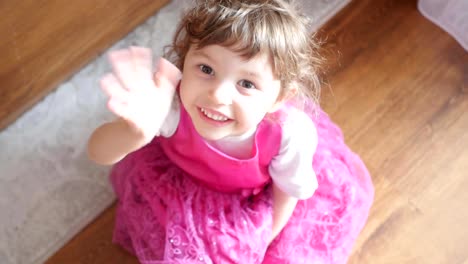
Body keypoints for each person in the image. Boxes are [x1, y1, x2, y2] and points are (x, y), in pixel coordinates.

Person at [87, 0, 374, 263]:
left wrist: (264, 241)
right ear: (184, 61)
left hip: (246, 201)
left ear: (279, 98)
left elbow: (287, 191)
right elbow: (98, 152)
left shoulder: (289, 134)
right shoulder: (171, 102)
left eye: (247, 84)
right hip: (178, 184)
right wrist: (133, 134)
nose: (218, 95)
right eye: (206, 69)